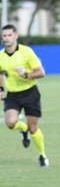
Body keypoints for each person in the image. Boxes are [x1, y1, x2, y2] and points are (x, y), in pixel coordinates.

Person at [0, 24, 48, 167]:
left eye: (9, 35)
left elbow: (41, 72)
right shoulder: (1, 56)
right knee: (10, 123)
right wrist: (1, 88)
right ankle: (23, 129)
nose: (6, 38)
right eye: (4, 36)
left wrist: (26, 75)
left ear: (16, 36)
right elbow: (1, 73)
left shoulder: (26, 52)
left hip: (30, 93)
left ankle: (42, 155)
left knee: (34, 127)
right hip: (13, 94)